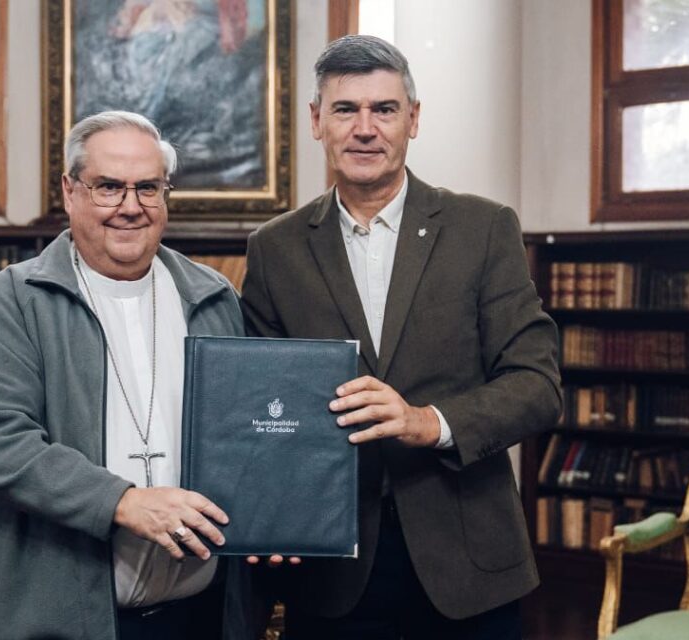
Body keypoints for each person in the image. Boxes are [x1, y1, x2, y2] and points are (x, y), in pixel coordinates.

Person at [240, 35, 562, 639]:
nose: (365, 129)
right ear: (316, 121)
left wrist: (427, 421)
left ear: (412, 119)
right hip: (329, 568)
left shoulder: (483, 228)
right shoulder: (274, 249)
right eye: (345, 110)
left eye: (384, 109)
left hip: (469, 564)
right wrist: (264, 515)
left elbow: (537, 386)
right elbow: (261, 408)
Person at [0, 111, 245, 639]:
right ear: (70, 191)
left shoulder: (213, 297)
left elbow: (251, 435)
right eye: (109, 187)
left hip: (199, 617)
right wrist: (122, 502)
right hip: (62, 620)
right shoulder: (15, 300)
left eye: (148, 188)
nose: (130, 208)